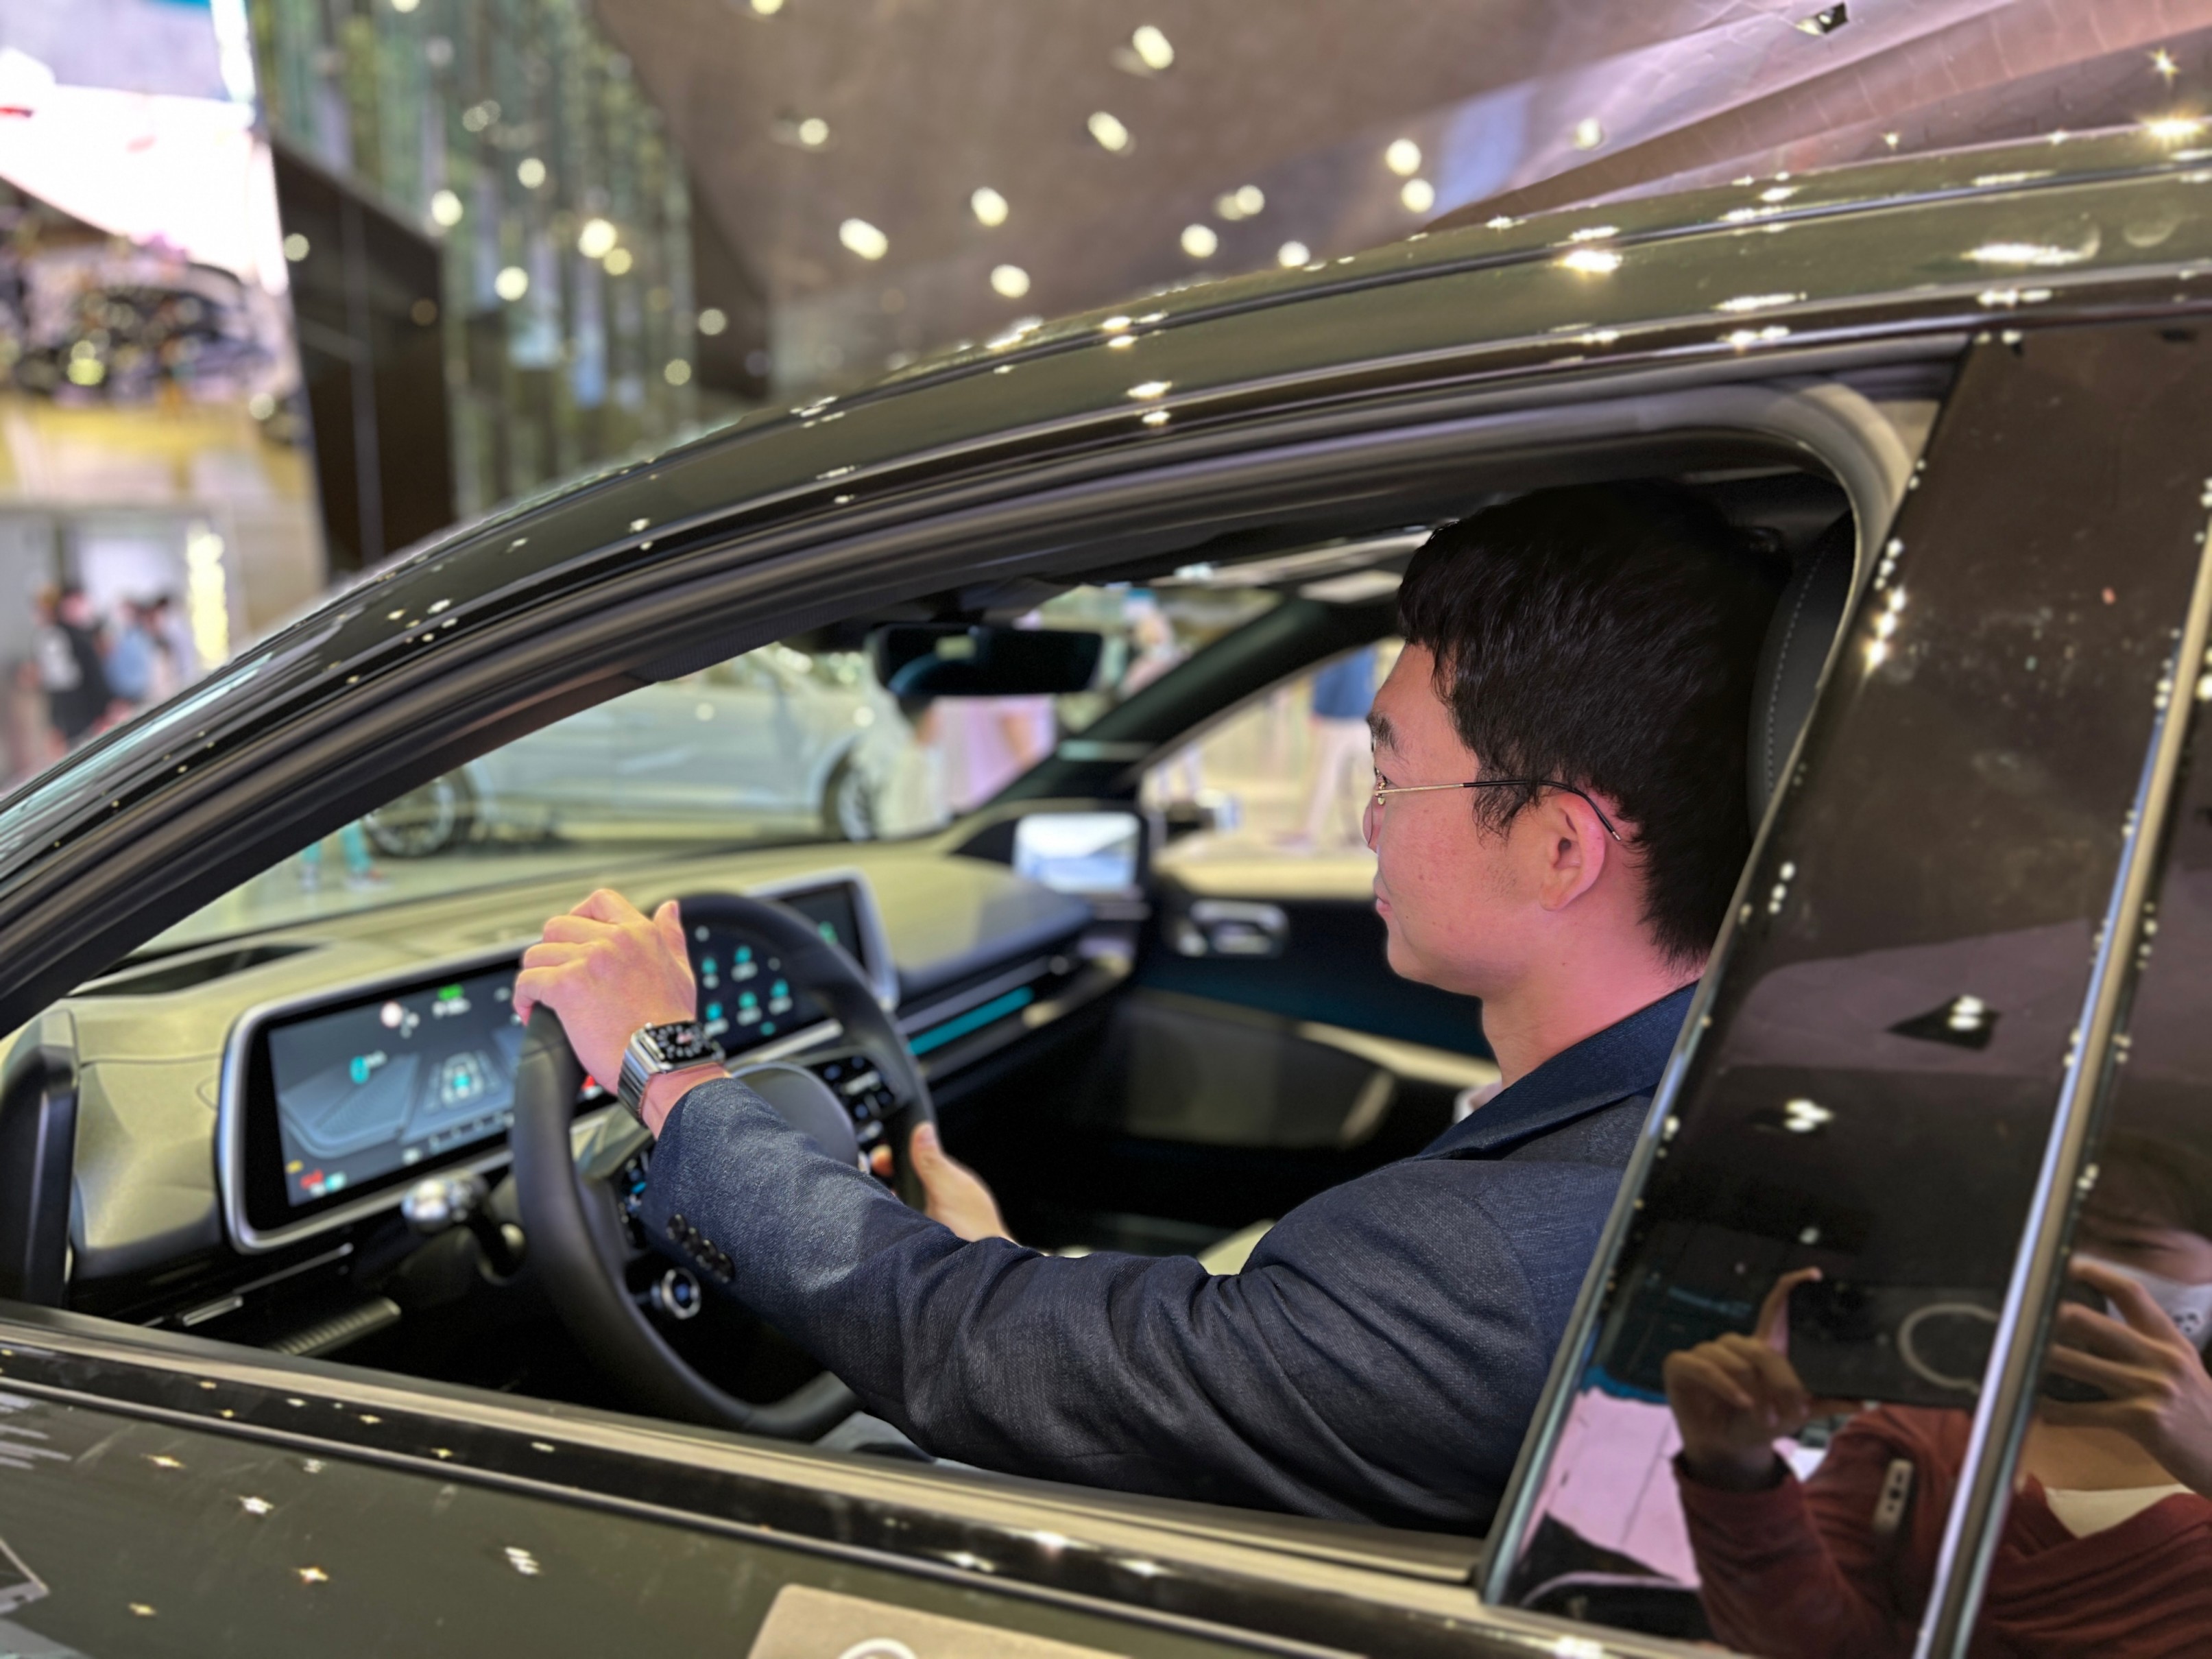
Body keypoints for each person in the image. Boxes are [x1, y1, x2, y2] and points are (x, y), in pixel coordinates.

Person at [514, 485, 1781, 1531]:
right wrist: (1000, 1267)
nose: (1366, 823)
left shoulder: (1495, 1261)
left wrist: (670, 1069)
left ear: (1559, 847)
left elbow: (968, 1351)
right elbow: (1218, 1351)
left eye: (1392, 777)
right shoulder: (1671, 1101)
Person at [1663, 1131, 2212, 1657]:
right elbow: (1805, 1643)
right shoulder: (1918, 1435)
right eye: (2058, 1236)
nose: (2078, 1264)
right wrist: (1734, 1469)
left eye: (2134, 1244)